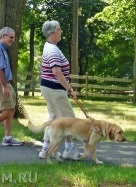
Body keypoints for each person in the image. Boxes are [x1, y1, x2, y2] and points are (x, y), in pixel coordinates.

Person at [39, 20, 81, 160]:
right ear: (52, 33)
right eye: (59, 29)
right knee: (70, 121)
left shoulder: (49, 47)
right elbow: (57, 72)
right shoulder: (52, 50)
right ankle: (69, 150)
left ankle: (45, 149)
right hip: (55, 89)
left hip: (49, 87)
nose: (61, 31)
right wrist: (70, 89)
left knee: (55, 119)